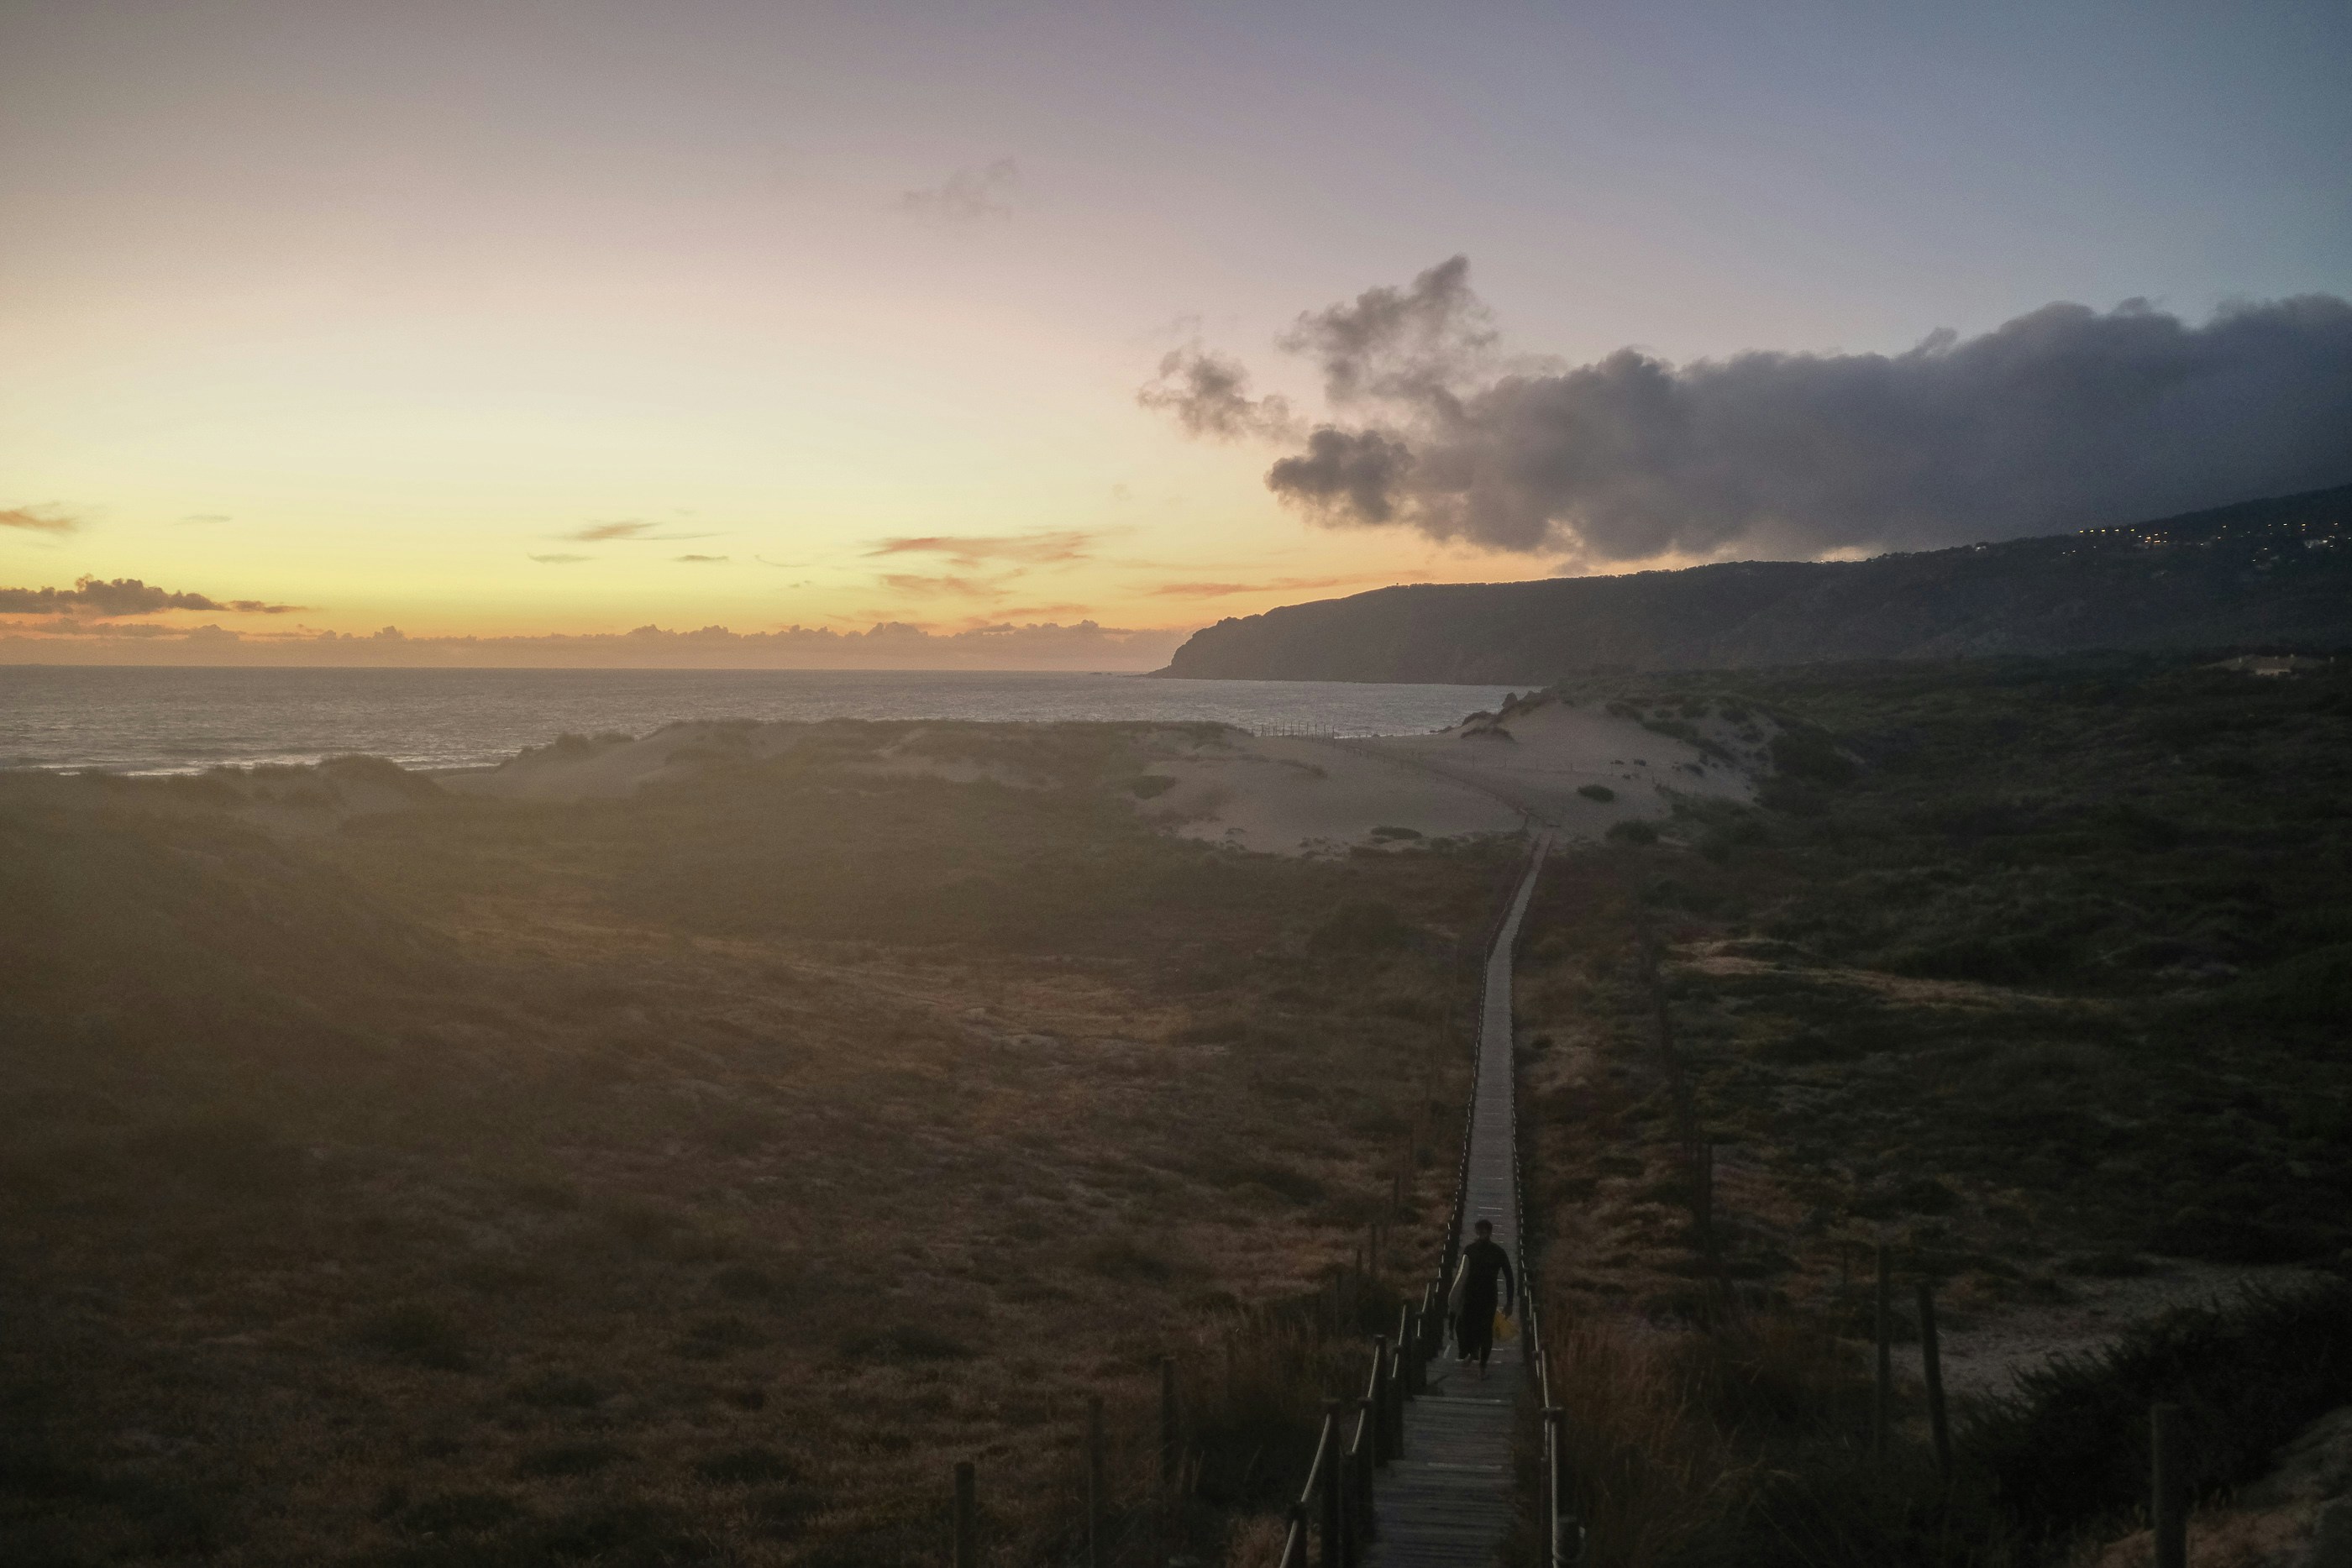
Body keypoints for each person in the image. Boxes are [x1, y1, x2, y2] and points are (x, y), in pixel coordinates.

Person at [1448, 1219, 1517, 1380]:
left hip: (1488, 1299)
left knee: (1486, 1332)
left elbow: (1509, 1277)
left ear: (1490, 1233)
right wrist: (1455, 1299)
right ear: (1477, 1232)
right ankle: (1473, 1353)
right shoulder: (1469, 1250)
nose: (1482, 1234)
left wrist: (1510, 1302)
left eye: (1485, 1231)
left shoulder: (1498, 1252)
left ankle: (1482, 1366)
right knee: (1467, 1329)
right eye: (1480, 1231)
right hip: (1470, 1297)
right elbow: (1461, 1277)